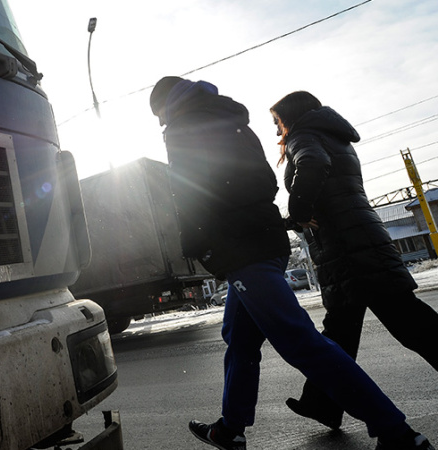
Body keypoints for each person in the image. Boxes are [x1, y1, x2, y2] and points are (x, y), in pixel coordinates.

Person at [149, 76, 434, 450]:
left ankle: (396, 432)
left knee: (300, 341)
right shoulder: (231, 121)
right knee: (240, 339)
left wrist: (198, 244)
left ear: (167, 105)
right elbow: (264, 182)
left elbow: (188, 194)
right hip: (264, 240)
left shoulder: (185, 127)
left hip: (242, 248)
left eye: (158, 115)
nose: (160, 123)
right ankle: (230, 427)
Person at [270, 90, 438, 430]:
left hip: (351, 250)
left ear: (290, 117)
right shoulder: (336, 138)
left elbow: (314, 166)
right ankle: (323, 403)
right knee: (341, 335)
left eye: (277, 123)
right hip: (358, 242)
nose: (277, 132)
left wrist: (299, 210)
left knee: (410, 325)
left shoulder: (305, 136)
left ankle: (325, 402)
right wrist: (297, 219)